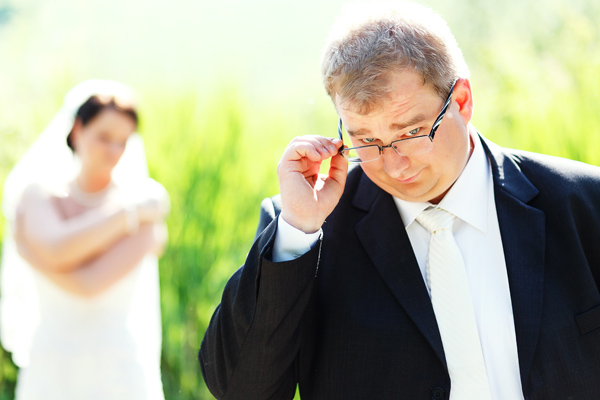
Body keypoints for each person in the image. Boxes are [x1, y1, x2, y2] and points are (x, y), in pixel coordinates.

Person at [199, 2, 600, 400]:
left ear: (461, 101)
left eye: (410, 132)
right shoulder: (306, 232)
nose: (393, 165)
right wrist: (297, 229)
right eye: (366, 140)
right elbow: (241, 391)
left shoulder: (585, 203)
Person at [0, 80, 169, 400]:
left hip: (118, 370)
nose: (114, 151)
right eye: (104, 138)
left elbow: (89, 285)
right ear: (77, 130)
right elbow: (57, 247)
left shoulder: (146, 203)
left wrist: (31, 254)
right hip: (50, 366)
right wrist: (128, 214)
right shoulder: (38, 195)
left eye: (123, 142)